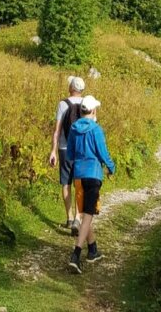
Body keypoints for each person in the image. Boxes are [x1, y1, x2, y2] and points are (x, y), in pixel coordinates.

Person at [66, 94, 115, 274]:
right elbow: (102, 152)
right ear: (93, 110)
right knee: (87, 215)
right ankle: (76, 254)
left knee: (86, 214)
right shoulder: (96, 129)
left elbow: (70, 154)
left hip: (78, 175)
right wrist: (111, 167)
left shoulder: (73, 128)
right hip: (93, 175)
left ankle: (92, 250)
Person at [49, 76, 85, 233]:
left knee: (66, 183)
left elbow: (57, 130)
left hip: (65, 148)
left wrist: (53, 151)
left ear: (71, 87)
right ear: (82, 89)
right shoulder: (87, 103)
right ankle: (78, 218)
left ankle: (69, 218)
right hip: (82, 150)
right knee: (79, 184)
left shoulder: (63, 104)